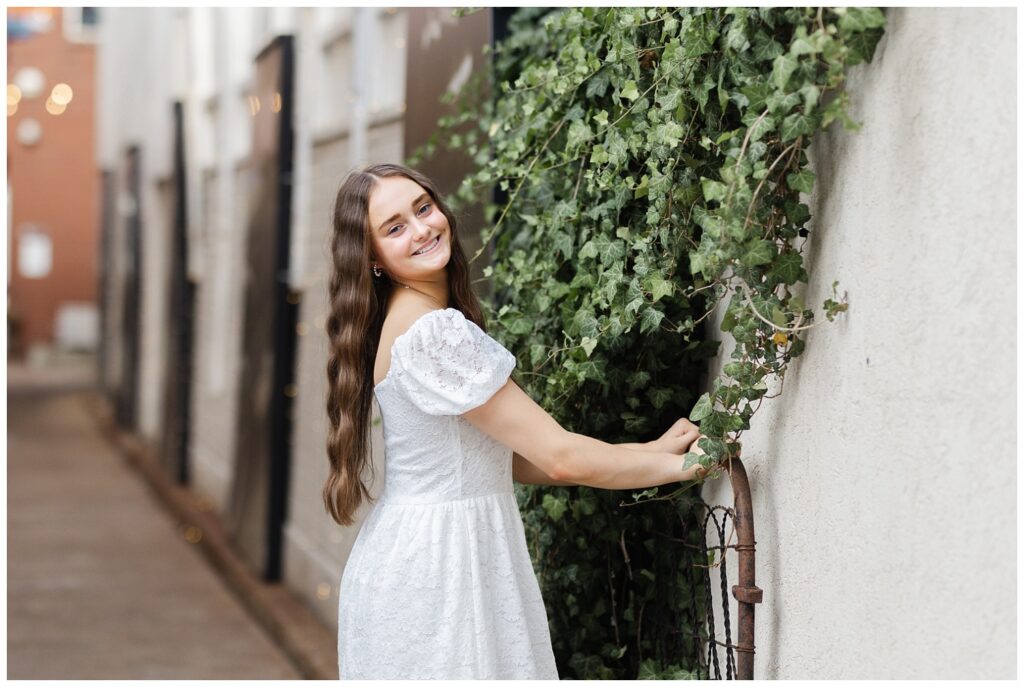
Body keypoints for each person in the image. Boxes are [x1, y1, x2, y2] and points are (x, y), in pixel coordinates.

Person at [324, 163, 709, 679]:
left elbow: (506, 459)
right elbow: (560, 458)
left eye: (423, 208)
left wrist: (651, 451)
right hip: (443, 569)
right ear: (372, 257)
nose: (421, 229)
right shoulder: (433, 332)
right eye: (394, 228)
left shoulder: (411, 319)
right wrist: (686, 468)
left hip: (423, 554)